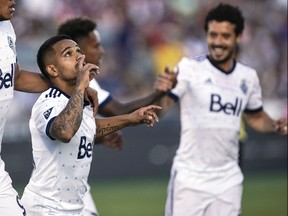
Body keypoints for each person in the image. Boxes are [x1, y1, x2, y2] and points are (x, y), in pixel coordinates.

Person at [156, 3, 288, 216]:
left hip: (228, 181)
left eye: (225, 36)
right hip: (190, 179)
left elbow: (255, 117)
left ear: (238, 36)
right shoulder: (189, 68)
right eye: (213, 35)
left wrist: (274, 125)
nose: (217, 42)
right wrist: (161, 92)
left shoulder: (248, 77)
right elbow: (162, 109)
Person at [20, 34, 161, 215]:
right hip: (45, 208)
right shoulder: (48, 102)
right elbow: (65, 132)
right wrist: (80, 86)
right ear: (53, 70)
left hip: (73, 208)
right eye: (68, 54)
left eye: (78, 50)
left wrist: (129, 119)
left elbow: (88, 128)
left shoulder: (81, 101)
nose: (79, 56)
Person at [57, 16, 174, 216]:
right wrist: (157, 93)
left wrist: (102, 137)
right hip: (58, 187)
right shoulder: (73, 84)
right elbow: (120, 111)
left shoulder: (83, 82)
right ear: (79, 52)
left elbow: (75, 131)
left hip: (71, 181)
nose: (101, 51)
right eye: (96, 45)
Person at [0, 2, 99, 215]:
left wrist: (74, 88)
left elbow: (16, 78)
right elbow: (63, 131)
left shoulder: (6, 28)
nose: (13, 1)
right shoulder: (47, 105)